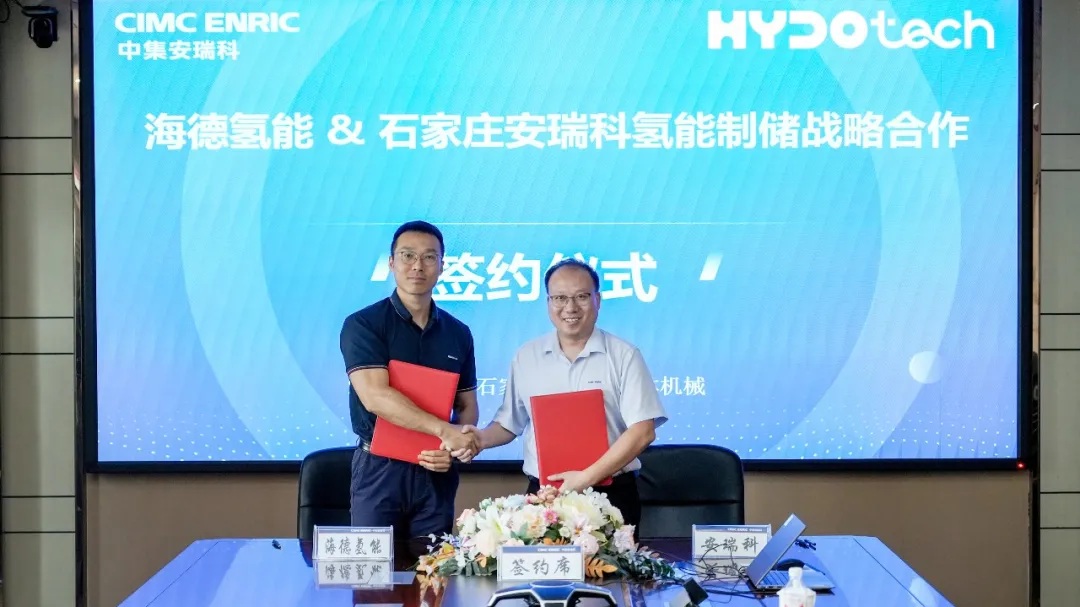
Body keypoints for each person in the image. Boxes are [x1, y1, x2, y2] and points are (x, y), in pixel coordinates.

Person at [457, 257, 668, 528]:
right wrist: (481, 439)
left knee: (611, 559)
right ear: (548, 302)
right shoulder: (527, 356)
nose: (570, 307)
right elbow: (510, 423)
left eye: (581, 296)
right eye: (559, 298)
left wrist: (585, 478)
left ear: (598, 300)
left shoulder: (623, 355)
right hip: (545, 495)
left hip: (611, 494)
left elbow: (643, 431)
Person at [339, 220, 481, 544]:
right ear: (391, 263)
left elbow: (467, 405)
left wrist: (454, 447)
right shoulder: (364, 324)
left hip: (436, 469)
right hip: (380, 469)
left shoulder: (458, 333)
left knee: (434, 569)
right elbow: (375, 396)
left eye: (430, 257)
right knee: (372, 568)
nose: (418, 266)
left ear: (442, 266)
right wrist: (444, 431)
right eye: (407, 255)